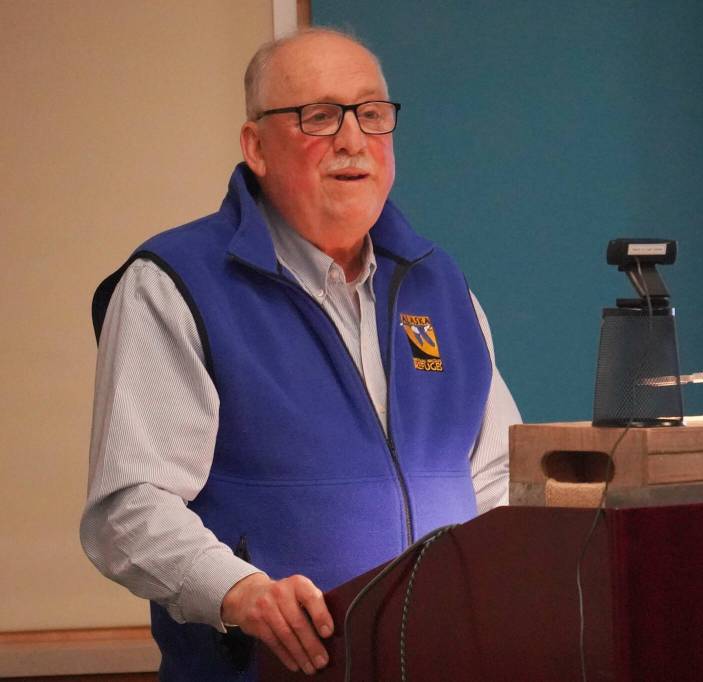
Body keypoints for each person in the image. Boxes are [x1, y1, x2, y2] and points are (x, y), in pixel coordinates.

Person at [81, 28, 520, 680]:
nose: (352, 139)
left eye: (372, 114)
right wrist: (243, 594)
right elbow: (129, 509)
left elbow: (498, 480)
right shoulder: (177, 284)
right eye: (318, 116)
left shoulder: (442, 286)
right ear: (255, 146)